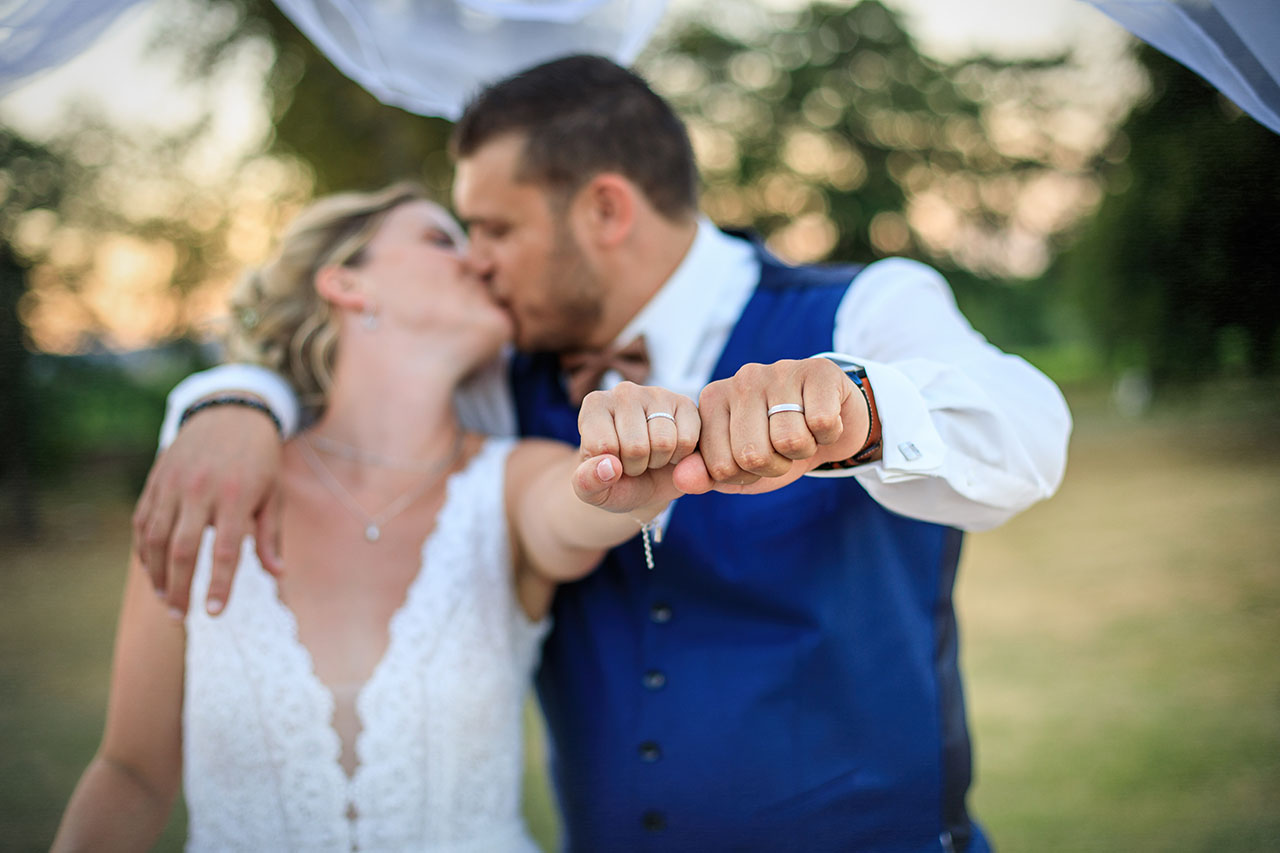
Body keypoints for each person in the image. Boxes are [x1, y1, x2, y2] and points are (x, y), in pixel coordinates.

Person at [137, 56, 1072, 851]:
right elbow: (335, 387)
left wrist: (856, 407)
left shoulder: (866, 304)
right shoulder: (499, 373)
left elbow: (1028, 434)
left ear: (607, 210)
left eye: (497, 229)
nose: (480, 262)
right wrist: (227, 402)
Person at [53, 183, 804, 851]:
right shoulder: (207, 481)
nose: (480, 258)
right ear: (346, 282)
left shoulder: (511, 478)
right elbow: (131, 771)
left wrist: (626, 476)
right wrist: (229, 399)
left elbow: (572, 506)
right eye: (441, 238)